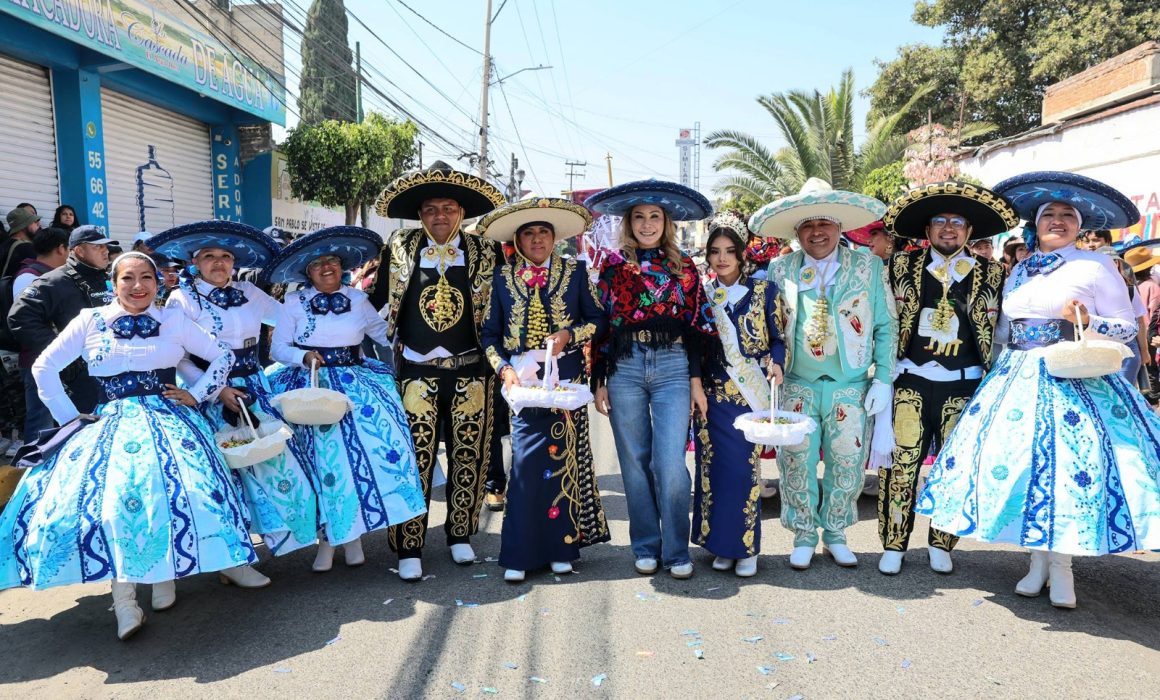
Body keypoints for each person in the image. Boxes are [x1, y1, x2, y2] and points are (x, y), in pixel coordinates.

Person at [917, 171, 1160, 608]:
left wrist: (1088, 320)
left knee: (1068, 470)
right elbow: (1004, 329)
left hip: (1075, 375)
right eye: (1050, 214)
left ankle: (1063, 568)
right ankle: (1037, 563)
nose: (1058, 221)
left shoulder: (1096, 265)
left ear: (1080, 226)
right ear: (1037, 222)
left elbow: (1127, 327)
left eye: (1068, 215)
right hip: (1017, 377)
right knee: (1026, 470)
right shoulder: (1021, 269)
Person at [0, 252, 262, 640]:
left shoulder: (173, 319)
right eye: (128, 278)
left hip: (170, 420)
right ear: (113, 283)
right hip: (111, 424)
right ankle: (125, 601)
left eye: (146, 278)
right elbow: (44, 367)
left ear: (157, 283)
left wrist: (198, 394)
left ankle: (188, 572)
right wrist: (71, 419)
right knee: (117, 507)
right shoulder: (90, 320)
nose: (138, 286)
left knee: (187, 494)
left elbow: (221, 355)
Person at [152, 221, 320, 571]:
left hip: (255, 386)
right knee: (230, 468)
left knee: (275, 457)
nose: (218, 263)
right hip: (211, 392)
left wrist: (322, 306)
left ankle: (290, 535)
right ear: (194, 262)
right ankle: (234, 558)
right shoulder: (182, 299)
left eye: (225, 256)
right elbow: (180, 357)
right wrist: (218, 390)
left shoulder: (249, 292)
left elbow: (288, 318)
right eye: (209, 256)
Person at [368, 161, 506, 582]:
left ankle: (460, 534)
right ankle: (409, 545)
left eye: (448, 208)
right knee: (415, 458)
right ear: (420, 214)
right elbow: (374, 299)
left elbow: (505, 306)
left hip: (471, 369)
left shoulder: (486, 250)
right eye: (430, 209)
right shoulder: (400, 245)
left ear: (461, 212)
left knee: (469, 453)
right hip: (416, 370)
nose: (439, 216)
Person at [750, 178, 896, 569]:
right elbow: (770, 324)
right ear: (797, 232)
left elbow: (886, 324)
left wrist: (883, 377)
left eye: (824, 223)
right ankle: (802, 534)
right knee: (795, 463)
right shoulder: (781, 268)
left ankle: (835, 533)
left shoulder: (867, 266)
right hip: (798, 383)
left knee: (846, 461)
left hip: (850, 384)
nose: (817, 232)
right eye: (808, 225)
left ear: (839, 226)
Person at [876, 182, 1017, 575]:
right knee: (901, 464)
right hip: (911, 379)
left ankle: (942, 542)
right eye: (940, 220)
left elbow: (1004, 332)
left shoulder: (993, 273)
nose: (948, 228)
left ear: (970, 231)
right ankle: (894, 543)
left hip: (965, 383)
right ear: (928, 229)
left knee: (953, 467)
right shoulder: (900, 266)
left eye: (957, 222)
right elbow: (884, 322)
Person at [266, 226, 426, 573]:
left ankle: (351, 537)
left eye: (333, 262)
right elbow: (278, 348)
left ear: (343, 267)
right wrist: (303, 356)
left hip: (354, 387)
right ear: (307, 272)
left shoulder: (358, 299)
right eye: (318, 264)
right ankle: (327, 540)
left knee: (358, 462)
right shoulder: (293, 303)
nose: (327, 268)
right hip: (309, 388)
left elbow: (384, 334)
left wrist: (423, 337)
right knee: (318, 466)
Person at [585, 179, 714, 579]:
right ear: (628, 223)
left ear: (666, 222)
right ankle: (645, 545)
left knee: (669, 462)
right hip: (624, 368)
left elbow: (697, 327)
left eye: (654, 216)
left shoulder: (685, 268)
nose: (646, 224)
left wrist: (695, 380)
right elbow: (602, 326)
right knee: (634, 461)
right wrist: (599, 378)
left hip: (674, 366)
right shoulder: (611, 267)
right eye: (638, 217)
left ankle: (676, 550)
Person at [477, 197, 610, 582]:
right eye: (529, 233)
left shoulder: (575, 272)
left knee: (562, 461)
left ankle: (561, 548)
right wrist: (504, 369)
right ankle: (520, 553)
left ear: (554, 238)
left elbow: (598, 320)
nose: (537, 239)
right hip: (522, 382)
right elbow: (489, 335)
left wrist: (570, 334)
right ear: (518, 240)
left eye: (544, 232)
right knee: (524, 466)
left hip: (565, 382)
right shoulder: (501, 278)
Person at [692, 212, 785, 578]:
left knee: (743, 473)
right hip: (711, 397)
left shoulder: (764, 291)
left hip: (749, 398)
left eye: (730, 251)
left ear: (742, 253)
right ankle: (720, 545)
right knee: (713, 471)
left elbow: (778, 339)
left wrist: (777, 363)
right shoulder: (701, 294)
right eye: (715, 251)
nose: (722, 258)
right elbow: (694, 346)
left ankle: (745, 548)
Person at [9, 226, 113, 418]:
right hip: (78, 380)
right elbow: (20, 317)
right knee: (83, 431)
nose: (105, 251)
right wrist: (58, 351)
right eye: (97, 247)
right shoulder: (54, 281)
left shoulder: (111, 279)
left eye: (105, 246)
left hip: (111, 374)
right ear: (79, 250)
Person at [10, 227, 70, 442]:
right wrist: (56, 347)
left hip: (56, 356)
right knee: (40, 420)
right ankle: (34, 461)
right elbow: (25, 322)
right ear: (61, 249)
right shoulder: (29, 277)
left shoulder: (52, 275)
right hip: (38, 358)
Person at [3, 208, 40, 278]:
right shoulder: (27, 248)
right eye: (33, 222)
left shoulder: (4, 245)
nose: (37, 225)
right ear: (24, 226)